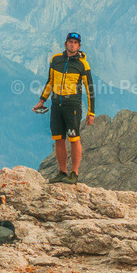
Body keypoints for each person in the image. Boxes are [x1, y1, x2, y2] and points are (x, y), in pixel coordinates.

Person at [33, 32, 95, 184]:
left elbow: (90, 89)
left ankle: (74, 173)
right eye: (70, 42)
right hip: (56, 105)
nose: (72, 44)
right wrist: (42, 100)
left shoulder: (83, 64)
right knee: (59, 139)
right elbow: (50, 82)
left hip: (72, 106)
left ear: (79, 46)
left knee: (74, 139)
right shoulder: (56, 60)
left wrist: (91, 112)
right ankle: (62, 172)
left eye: (75, 42)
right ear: (65, 44)